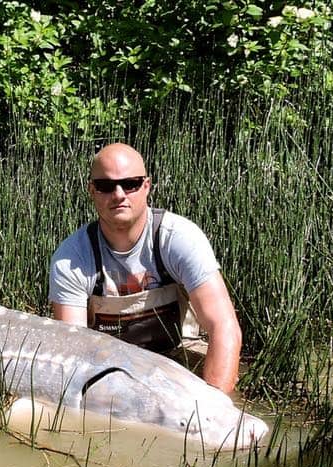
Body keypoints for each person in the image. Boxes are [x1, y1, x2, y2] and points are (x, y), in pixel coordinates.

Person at [48, 143, 241, 394]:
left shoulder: (178, 237)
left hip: (181, 356)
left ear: (146, 186)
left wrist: (214, 408)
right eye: (106, 186)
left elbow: (224, 327)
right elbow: (74, 353)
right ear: (92, 190)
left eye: (130, 184)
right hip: (109, 369)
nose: (119, 195)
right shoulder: (71, 257)